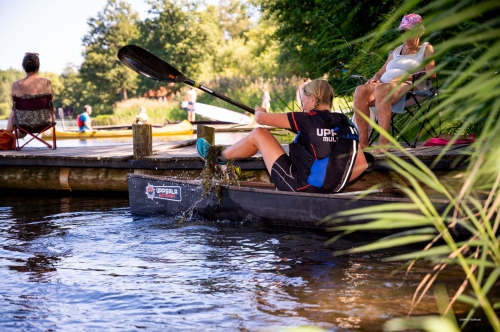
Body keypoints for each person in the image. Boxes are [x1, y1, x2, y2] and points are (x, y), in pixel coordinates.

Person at [197, 79, 371, 193]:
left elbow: (260, 119)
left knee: (259, 134)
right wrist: (331, 187)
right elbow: (362, 164)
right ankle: (219, 158)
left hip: (299, 187)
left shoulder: (306, 119)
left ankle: (217, 157)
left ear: (312, 99)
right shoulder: (346, 124)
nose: (303, 107)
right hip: (329, 188)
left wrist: (259, 111)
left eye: (303, 101)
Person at [353, 13, 436, 152]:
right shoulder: (397, 50)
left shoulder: (426, 49)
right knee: (360, 90)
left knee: (382, 90)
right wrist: (375, 78)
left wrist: (404, 77)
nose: (406, 35)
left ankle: (384, 142)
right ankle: (363, 143)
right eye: (403, 31)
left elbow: (431, 74)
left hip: (409, 86)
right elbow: (380, 72)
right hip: (384, 85)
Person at [5, 52, 53, 137]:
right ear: (38, 68)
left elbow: (15, 106)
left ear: (23, 67)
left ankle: (7, 135)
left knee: (14, 109)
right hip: (45, 123)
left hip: (24, 125)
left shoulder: (16, 85)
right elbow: (50, 101)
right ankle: (10, 135)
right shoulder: (47, 83)